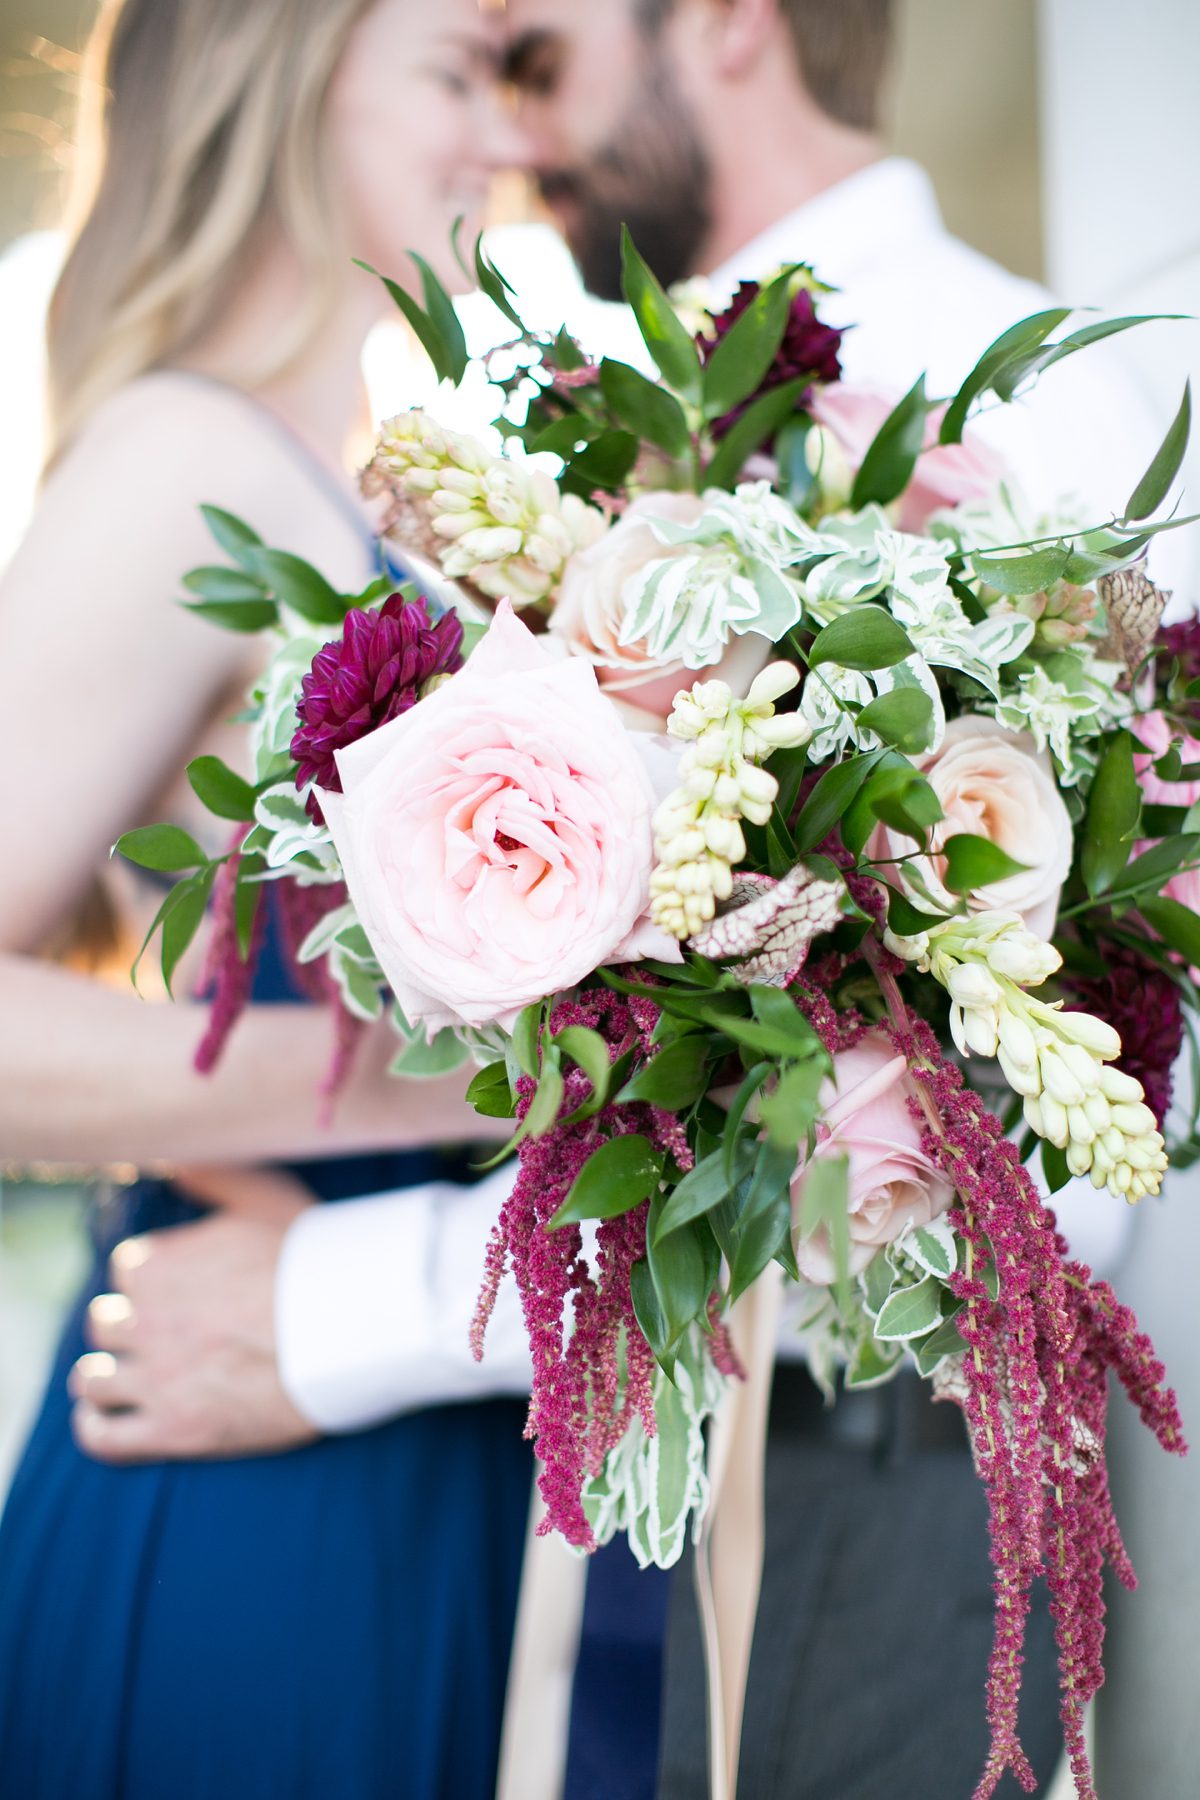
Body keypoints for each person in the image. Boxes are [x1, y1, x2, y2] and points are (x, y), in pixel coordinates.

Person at [494, 2, 1184, 1796]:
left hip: (890, 1460)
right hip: (615, 1444)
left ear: (722, 18)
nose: (512, 127)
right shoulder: (592, 427)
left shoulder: (1014, 386)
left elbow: (1052, 1165)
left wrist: (337, 1316)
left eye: (536, 54)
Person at [0, 3, 536, 1795]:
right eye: (455, 74)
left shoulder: (353, 493)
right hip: (246, 1444)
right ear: (288, 77)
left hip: (394, 1395)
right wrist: (439, 1089)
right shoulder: (182, 463)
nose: (499, 138)